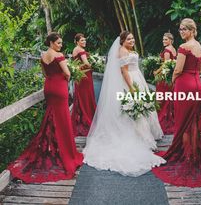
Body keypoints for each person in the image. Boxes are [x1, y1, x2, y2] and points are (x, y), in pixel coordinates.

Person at [83, 31, 166, 177]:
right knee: (133, 110)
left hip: (137, 77)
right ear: (122, 41)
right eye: (129, 39)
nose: (132, 40)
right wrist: (132, 89)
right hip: (130, 81)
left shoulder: (128, 50)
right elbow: (124, 72)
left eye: (133, 38)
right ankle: (137, 137)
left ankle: (143, 136)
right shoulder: (122, 51)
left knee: (142, 108)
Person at [152, 19, 201, 187]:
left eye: (184, 29)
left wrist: (173, 80)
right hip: (196, 84)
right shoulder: (199, 46)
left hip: (184, 85)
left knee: (183, 122)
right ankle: (195, 155)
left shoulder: (184, 47)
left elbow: (177, 69)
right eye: (180, 29)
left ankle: (187, 158)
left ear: (192, 30)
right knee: (193, 121)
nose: (181, 32)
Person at [8, 32, 83, 183]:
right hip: (60, 87)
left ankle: (51, 148)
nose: (60, 45)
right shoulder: (59, 55)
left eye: (61, 43)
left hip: (49, 87)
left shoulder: (43, 56)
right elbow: (68, 73)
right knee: (62, 120)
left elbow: (44, 73)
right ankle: (65, 153)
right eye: (58, 43)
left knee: (51, 117)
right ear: (51, 43)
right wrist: (66, 75)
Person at [71, 33, 96, 136]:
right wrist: (95, 65)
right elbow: (86, 63)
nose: (84, 42)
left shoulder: (74, 50)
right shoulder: (81, 50)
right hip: (85, 76)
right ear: (77, 42)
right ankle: (87, 119)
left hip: (79, 76)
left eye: (85, 40)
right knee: (87, 97)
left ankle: (80, 119)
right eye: (82, 40)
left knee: (81, 97)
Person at [154, 33, 176, 134]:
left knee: (161, 100)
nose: (164, 41)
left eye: (166, 39)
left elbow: (165, 65)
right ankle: (170, 121)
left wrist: (156, 72)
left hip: (164, 78)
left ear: (171, 40)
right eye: (163, 39)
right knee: (168, 99)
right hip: (171, 78)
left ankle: (163, 124)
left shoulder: (167, 51)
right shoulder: (174, 49)